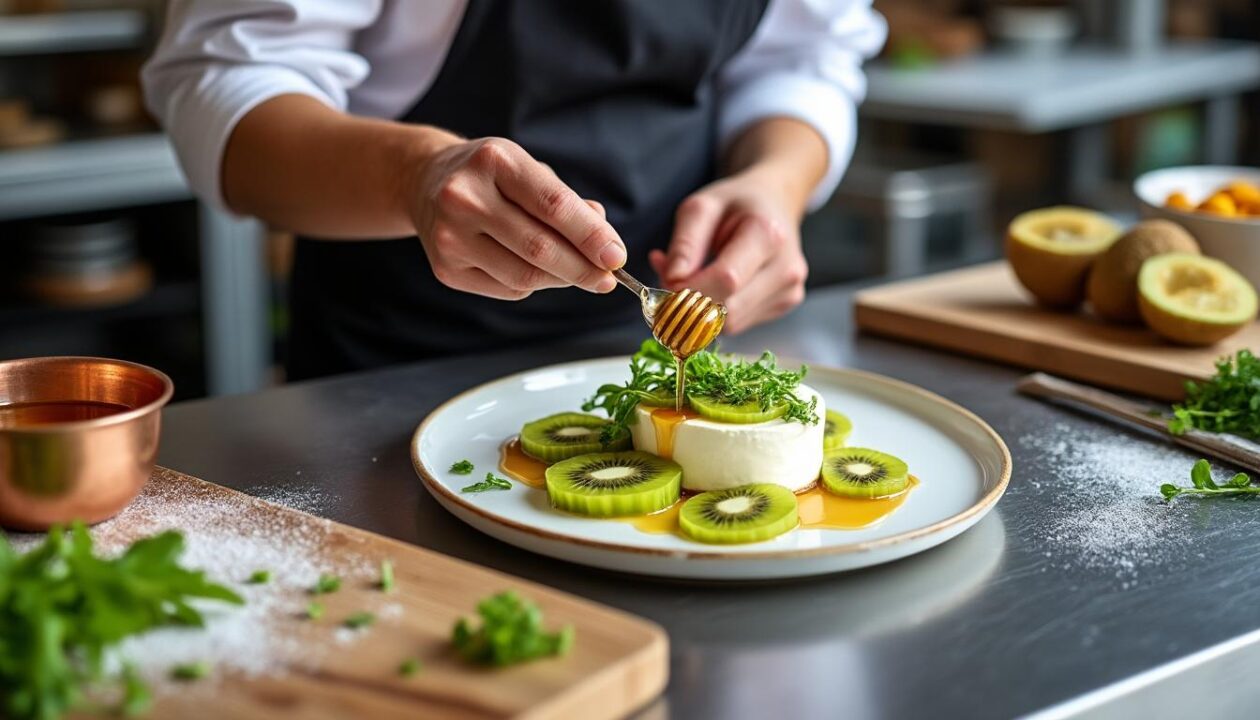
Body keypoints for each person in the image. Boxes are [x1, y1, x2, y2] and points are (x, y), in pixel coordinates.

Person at [143, 1, 886, 379]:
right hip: (396, 362)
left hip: (666, 333)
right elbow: (224, 84)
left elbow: (805, 55)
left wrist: (776, 181)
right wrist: (415, 176)